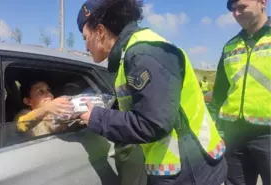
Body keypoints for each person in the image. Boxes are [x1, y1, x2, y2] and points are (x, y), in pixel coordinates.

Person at [76, 0, 227, 185]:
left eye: (85, 38)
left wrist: (97, 118)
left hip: (192, 170)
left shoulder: (144, 53)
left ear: (100, 31)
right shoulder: (129, 55)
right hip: (177, 168)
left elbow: (153, 123)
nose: (85, 47)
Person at [212, 0, 271, 184]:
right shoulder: (230, 46)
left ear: (262, 2)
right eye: (232, 9)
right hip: (234, 135)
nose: (236, 13)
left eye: (241, 7)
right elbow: (220, 92)